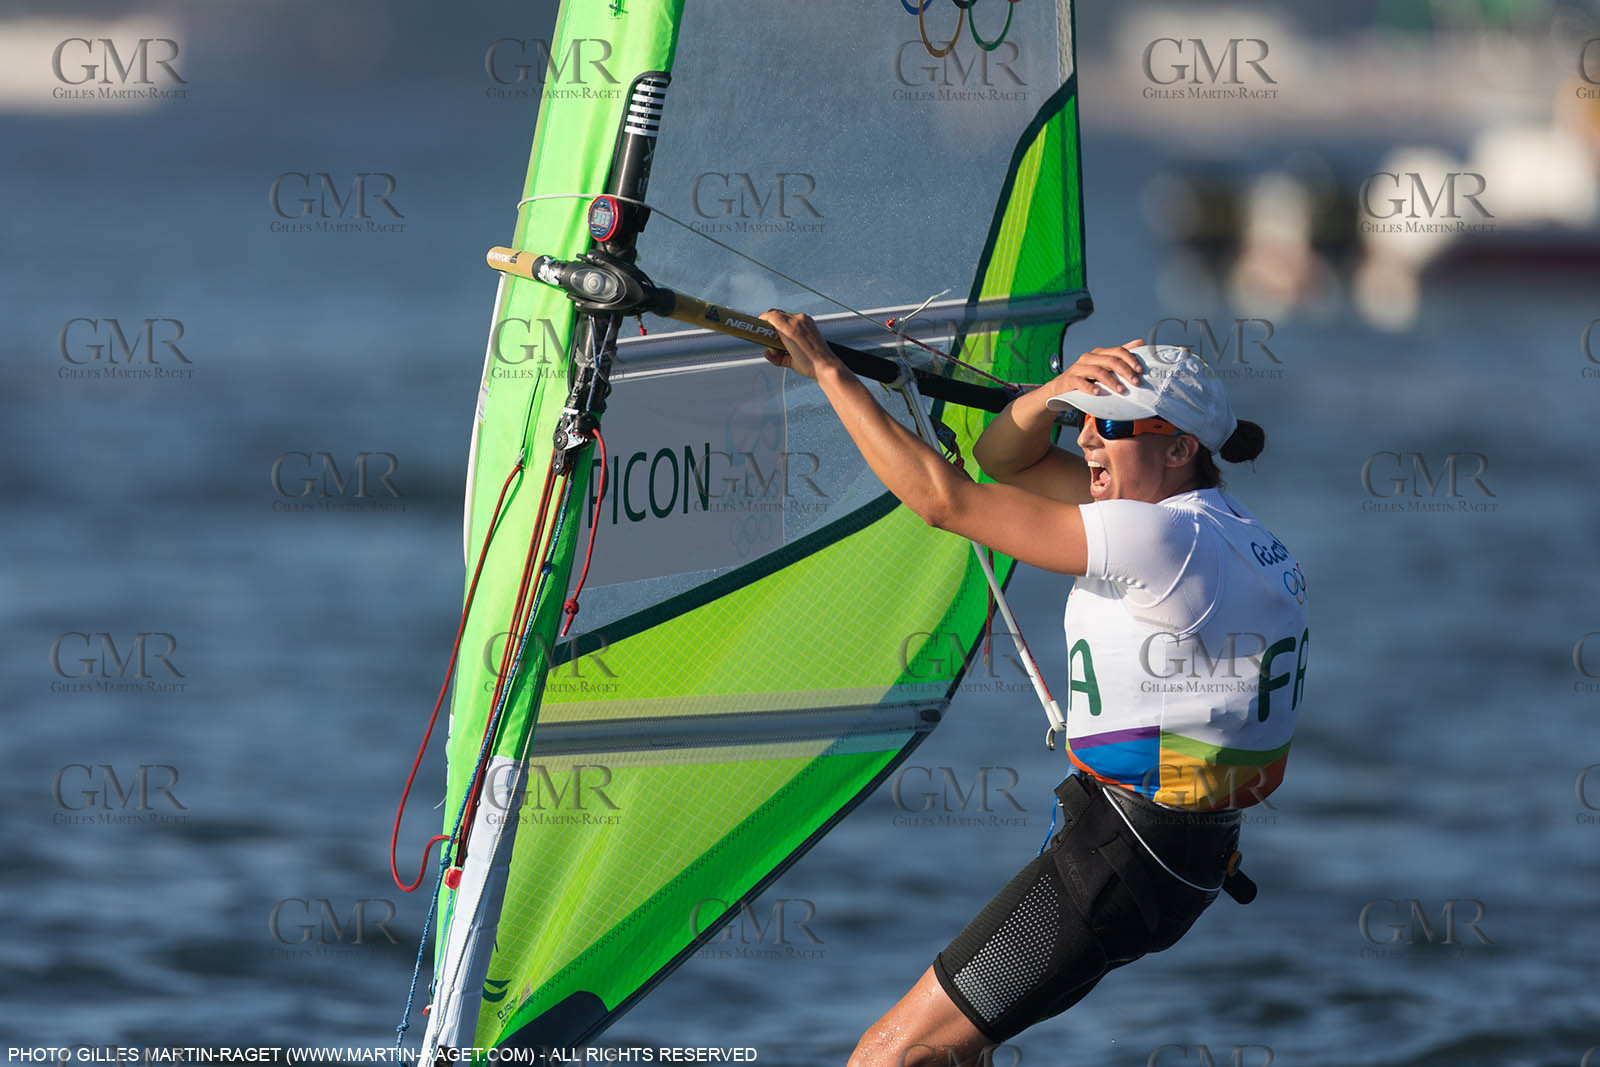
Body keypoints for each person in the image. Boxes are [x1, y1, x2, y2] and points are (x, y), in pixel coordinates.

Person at [758, 310, 1310, 1067]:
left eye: (1108, 426)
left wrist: (829, 371)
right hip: (1173, 861)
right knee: (957, 1054)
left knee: (887, 1057)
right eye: (1080, 420)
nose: (1084, 438)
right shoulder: (1237, 533)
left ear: (1180, 447)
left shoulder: (1162, 540)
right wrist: (1053, 390)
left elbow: (945, 499)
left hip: (1124, 857)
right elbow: (1003, 458)